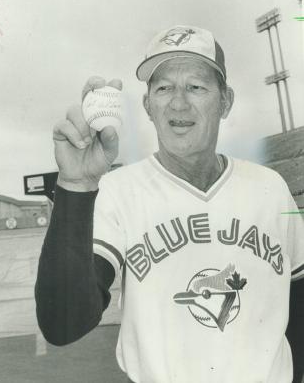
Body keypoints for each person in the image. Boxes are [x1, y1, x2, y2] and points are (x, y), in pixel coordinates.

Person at [35, 25, 304, 383]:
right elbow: (62, 324)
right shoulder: (117, 191)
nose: (178, 103)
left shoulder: (269, 189)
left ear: (225, 101)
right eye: (163, 88)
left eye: (196, 86)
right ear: (148, 106)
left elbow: (299, 310)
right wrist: (75, 186)